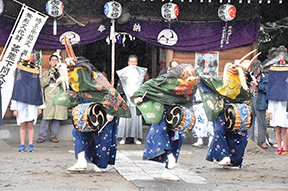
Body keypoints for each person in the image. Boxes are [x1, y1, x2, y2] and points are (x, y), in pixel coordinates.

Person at [53, 55, 131, 172]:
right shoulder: (76, 78)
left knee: (102, 138)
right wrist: (63, 79)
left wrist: (111, 112)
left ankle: (100, 165)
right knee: (78, 130)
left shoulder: (97, 77)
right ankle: (81, 161)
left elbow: (111, 93)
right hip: (86, 110)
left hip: (105, 110)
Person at [132, 63, 198, 181]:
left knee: (176, 140)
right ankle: (168, 155)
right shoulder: (166, 80)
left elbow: (188, 99)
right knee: (159, 131)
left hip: (178, 113)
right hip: (162, 109)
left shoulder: (193, 85)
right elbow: (148, 86)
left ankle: (167, 171)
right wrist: (139, 96)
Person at [203, 50, 259, 170]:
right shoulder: (220, 80)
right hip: (224, 110)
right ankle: (224, 156)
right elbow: (206, 81)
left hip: (240, 112)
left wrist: (247, 75)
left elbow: (254, 86)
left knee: (240, 136)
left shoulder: (245, 81)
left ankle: (235, 162)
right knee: (219, 130)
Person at [10, 59, 44, 152]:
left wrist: (40, 107)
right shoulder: (18, 83)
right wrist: (14, 109)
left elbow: (39, 95)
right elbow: (15, 96)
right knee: (23, 125)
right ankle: (22, 144)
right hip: (21, 106)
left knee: (30, 125)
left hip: (32, 106)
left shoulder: (35, 83)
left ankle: (30, 144)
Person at [116, 55, 147, 145]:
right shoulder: (123, 73)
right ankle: (123, 137)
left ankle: (136, 137)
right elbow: (119, 86)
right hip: (126, 97)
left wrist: (141, 96)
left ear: (137, 63)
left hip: (136, 98)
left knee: (136, 118)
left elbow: (144, 86)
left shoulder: (140, 74)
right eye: (131, 62)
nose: (133, 64)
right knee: (124, 117)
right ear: (128, 62)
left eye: (134, 62)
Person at [36, 55, 68, 143]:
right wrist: (49, 77)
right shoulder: (46, 73)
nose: (54, 61)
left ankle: (53, 135)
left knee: (57, 118)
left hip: (59, 98)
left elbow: (67, 85)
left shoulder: (62, 73)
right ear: (49, 62)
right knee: (46, 118)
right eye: (53, 60)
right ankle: (42, 136)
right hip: (49, 99)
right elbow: (42, 83)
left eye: (56, 60)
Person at [266, 58, 288, 155]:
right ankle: (279, 147)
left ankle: (285, 147)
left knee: (284, 130)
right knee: (277, 130)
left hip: (284, 110)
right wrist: (270, 112)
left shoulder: (286, 86)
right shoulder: (274, 87)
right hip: (275, 110)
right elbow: (271, 99)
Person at [248, 60, 269, 149]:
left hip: (260, 100)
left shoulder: (265, 76)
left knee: (261, 121)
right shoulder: (250, 76)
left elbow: (265, 89)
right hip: (251, 99)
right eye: (254, 70)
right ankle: (250, 140)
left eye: (256, 70)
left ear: (260, 68)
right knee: (250, 121)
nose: (255, 71)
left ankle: (262, 141)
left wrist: (257, 84)